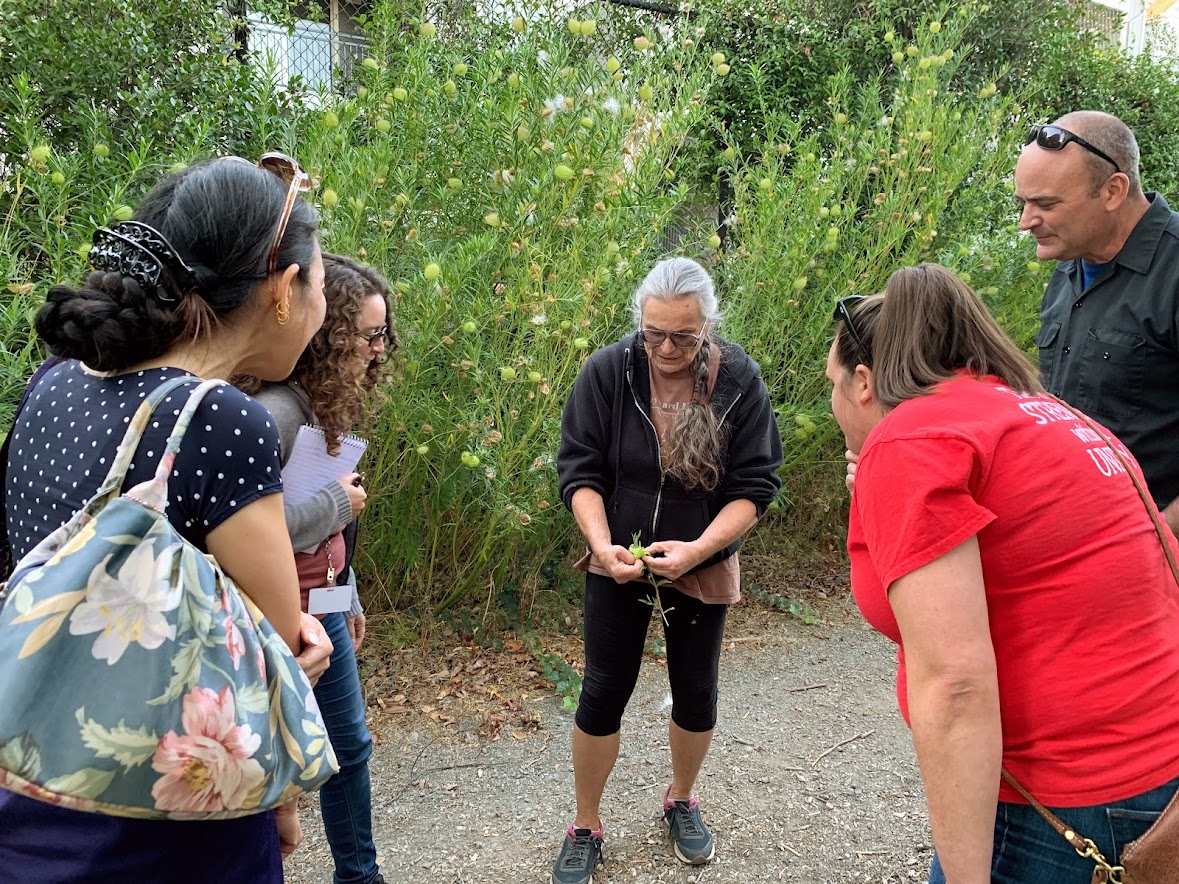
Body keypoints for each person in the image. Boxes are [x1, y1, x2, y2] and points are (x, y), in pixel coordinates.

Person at [0, 155, 335, 882]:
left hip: (30, 789)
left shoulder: (52, 384)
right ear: (282, 291)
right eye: (318, 286)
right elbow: (275, 643)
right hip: (164, 823)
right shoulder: (218, 419)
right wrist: (301, 651)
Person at [829, 263, 1179, 884]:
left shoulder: (913, 436)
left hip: (1066, 802)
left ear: (862, 383)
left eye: (831, 385)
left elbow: (956, 684)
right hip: (1159, 768)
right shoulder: (1045, 414)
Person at [553, 257, 782, 884]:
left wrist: (699, 550)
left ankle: (682, 800)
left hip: (700, 555)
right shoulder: (606, 371)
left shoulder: (738, 380)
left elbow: (754, 486)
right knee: (602, 690)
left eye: (683, 335)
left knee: (696, 690)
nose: (667, 348)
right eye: (654, 334)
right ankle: (585, 824)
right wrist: (601, 547)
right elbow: (580, 472)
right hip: (618, 557)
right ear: (640, 324)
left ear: (709, 325)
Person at [241, 253, 394, 884]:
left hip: (324, 608)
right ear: (331, 339)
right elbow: (246, 538)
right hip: (276, 621)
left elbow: (330, 537)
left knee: (349, 749)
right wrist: (336, 503)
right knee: (269, 765)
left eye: (385, 335)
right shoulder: (273, 414)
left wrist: (349, 593)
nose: (379, 352)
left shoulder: (319, 409)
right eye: (369, 335)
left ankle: (360, 875)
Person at [1015, 110, 1179, 533]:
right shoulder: (1071, 265)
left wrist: (1158, 535)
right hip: (1078, 536)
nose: (1026, 222)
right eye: (1024, 203)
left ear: (1112, 191)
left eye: (1046, 204)